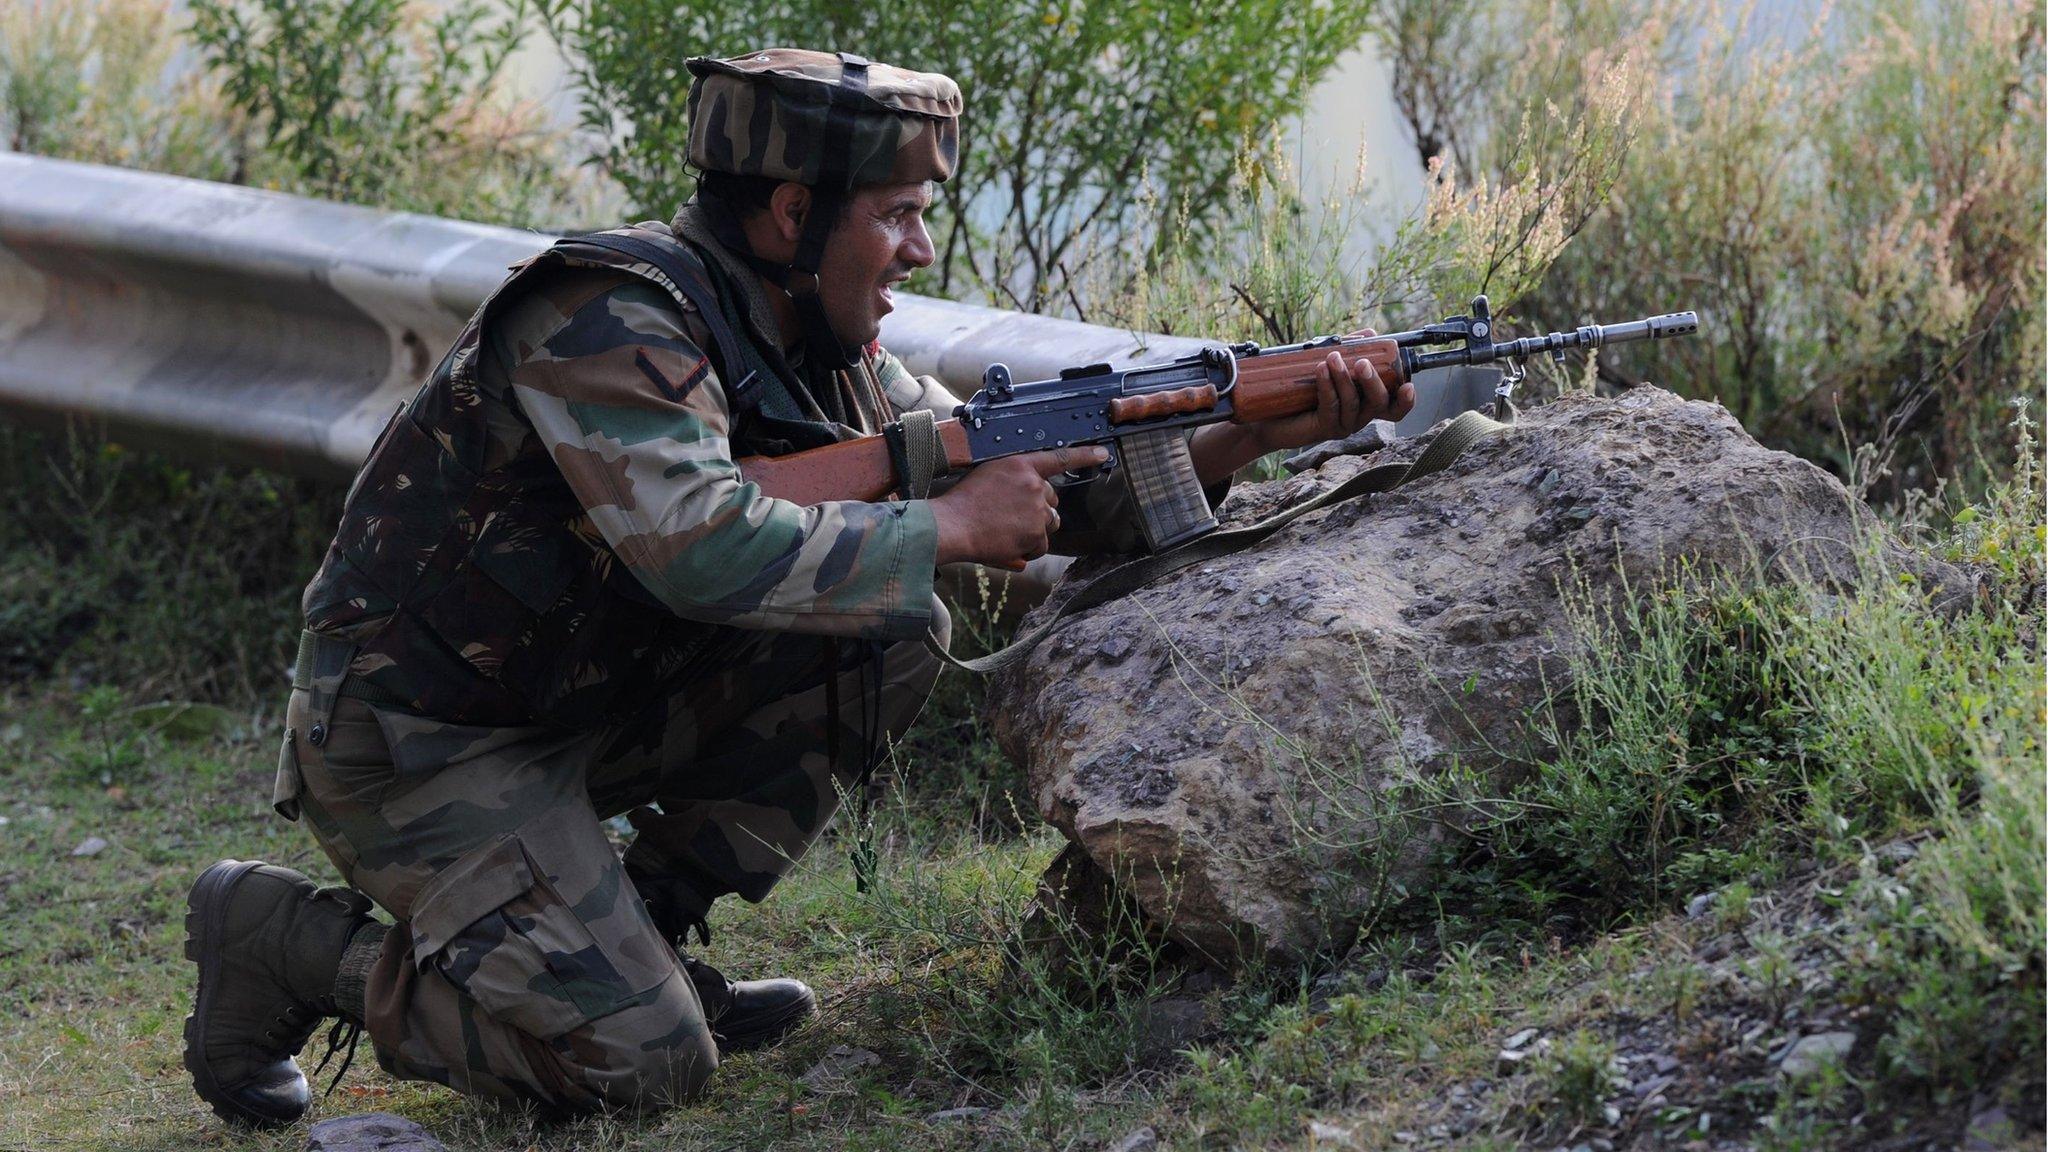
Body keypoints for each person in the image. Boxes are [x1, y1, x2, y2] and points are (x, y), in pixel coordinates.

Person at [181, 47, 1413, 1126]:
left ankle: (635, 934)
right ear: (789, 212)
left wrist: (1251, 427)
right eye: (894, 214)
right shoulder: (607, 317)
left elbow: (1056, 504)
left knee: (885, 629)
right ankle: (287, 944)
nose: (918, 249)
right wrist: (940, 518)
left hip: (587, 702)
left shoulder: (826, 351)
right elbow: (700, 545)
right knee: (643, 1068)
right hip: (423, 743)